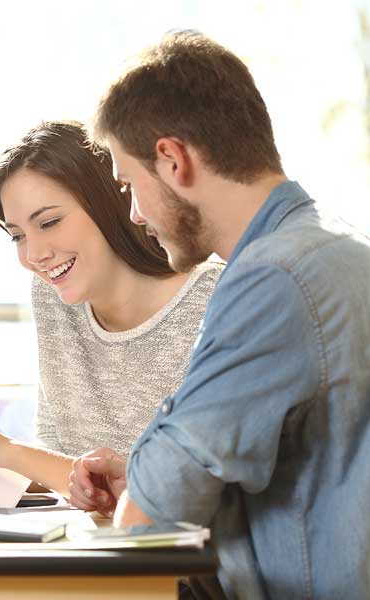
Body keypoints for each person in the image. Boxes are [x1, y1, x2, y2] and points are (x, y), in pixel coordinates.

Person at [67, 31, 370, 599]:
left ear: (173, 159)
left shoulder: (273, 279)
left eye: (130, 184)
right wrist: (142, 471)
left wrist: (148, 480)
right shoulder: (337, 250)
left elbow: (148, 518)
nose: (133, 214)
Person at [0, 121, 221, 503]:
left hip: (182, 555)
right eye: (18, 235)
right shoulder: (54, 298)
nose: (34, 255)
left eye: (49, 222)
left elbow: (194, 483)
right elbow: (66, 472)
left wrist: (6, 450)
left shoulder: (215, 301)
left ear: (109, 203)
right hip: (87, 547)